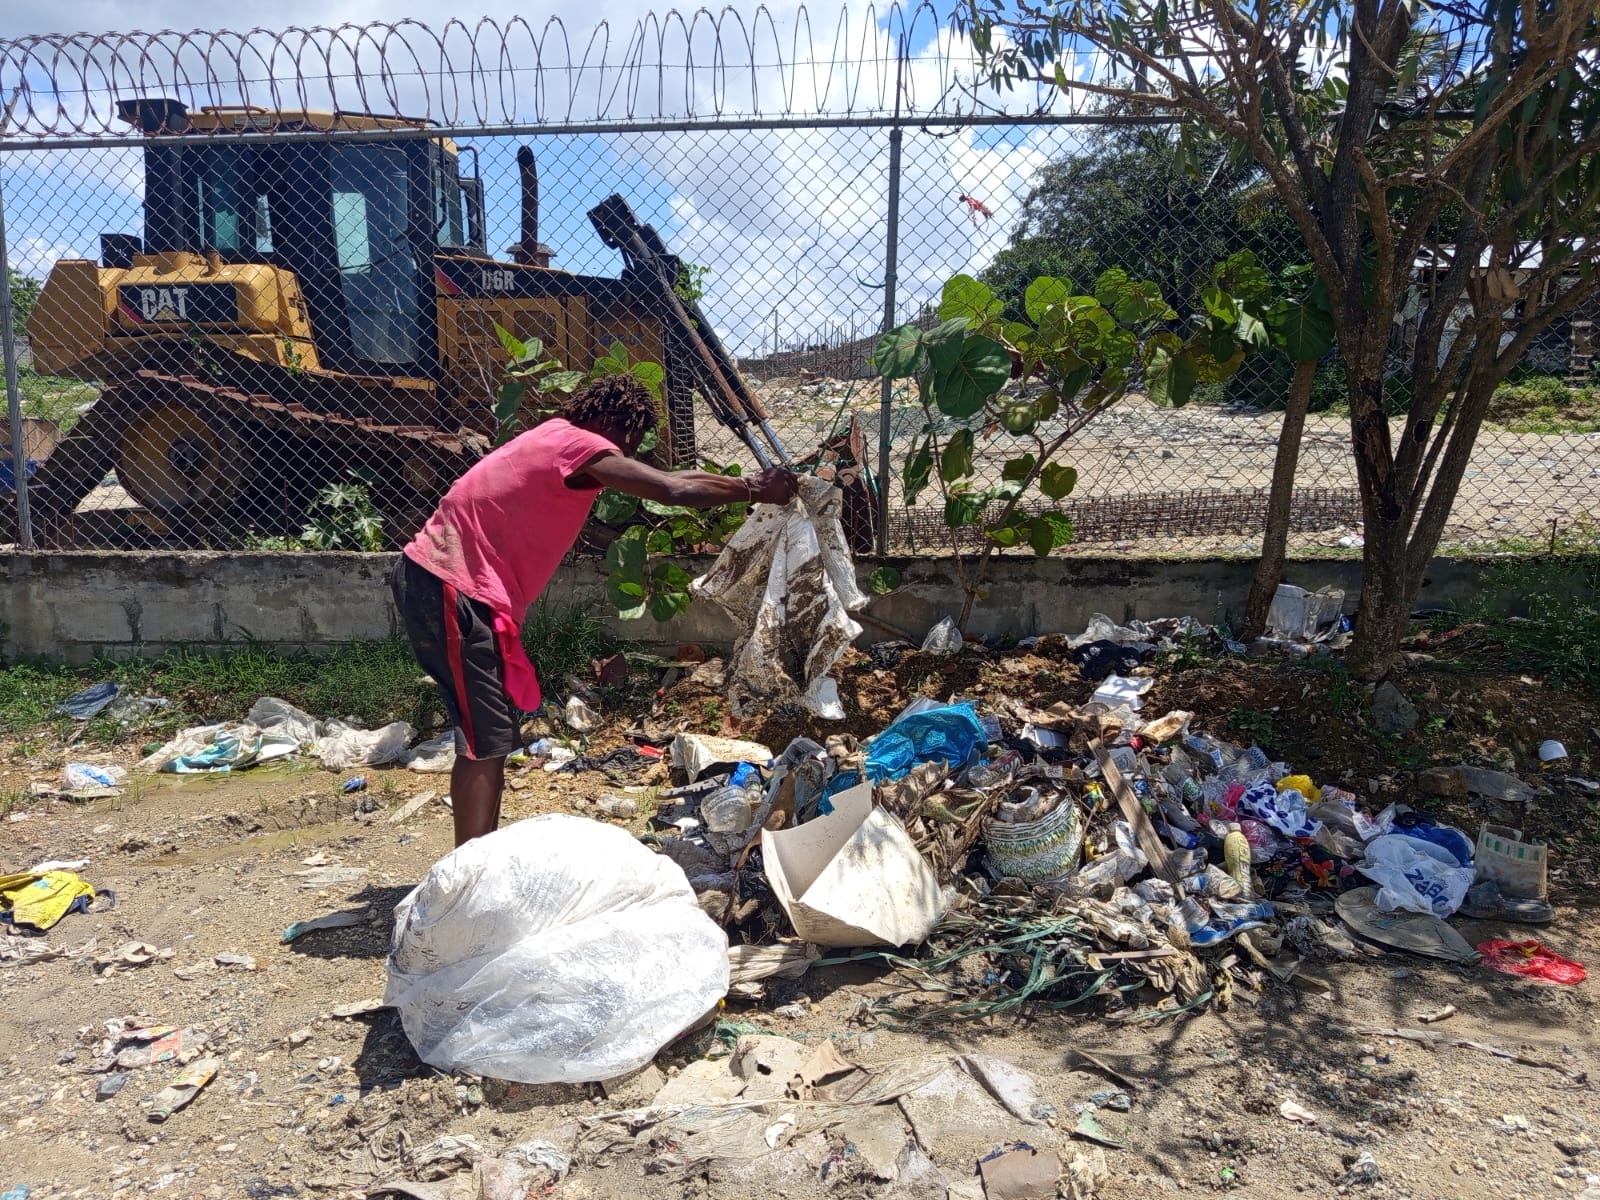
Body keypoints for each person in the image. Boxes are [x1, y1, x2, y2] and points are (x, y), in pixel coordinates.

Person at [391, 373, 798, 847]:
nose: (626, 455)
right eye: (628, 442)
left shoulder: (556, 437)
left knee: (492, 735)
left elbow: (671, 481)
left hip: (452, 586)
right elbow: (671, 491)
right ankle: (470, 875)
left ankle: (478, 860)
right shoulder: (578, 445)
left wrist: (746, 485)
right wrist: (753, 488)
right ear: (616, 425)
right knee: (485, 742)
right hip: (449, 585)